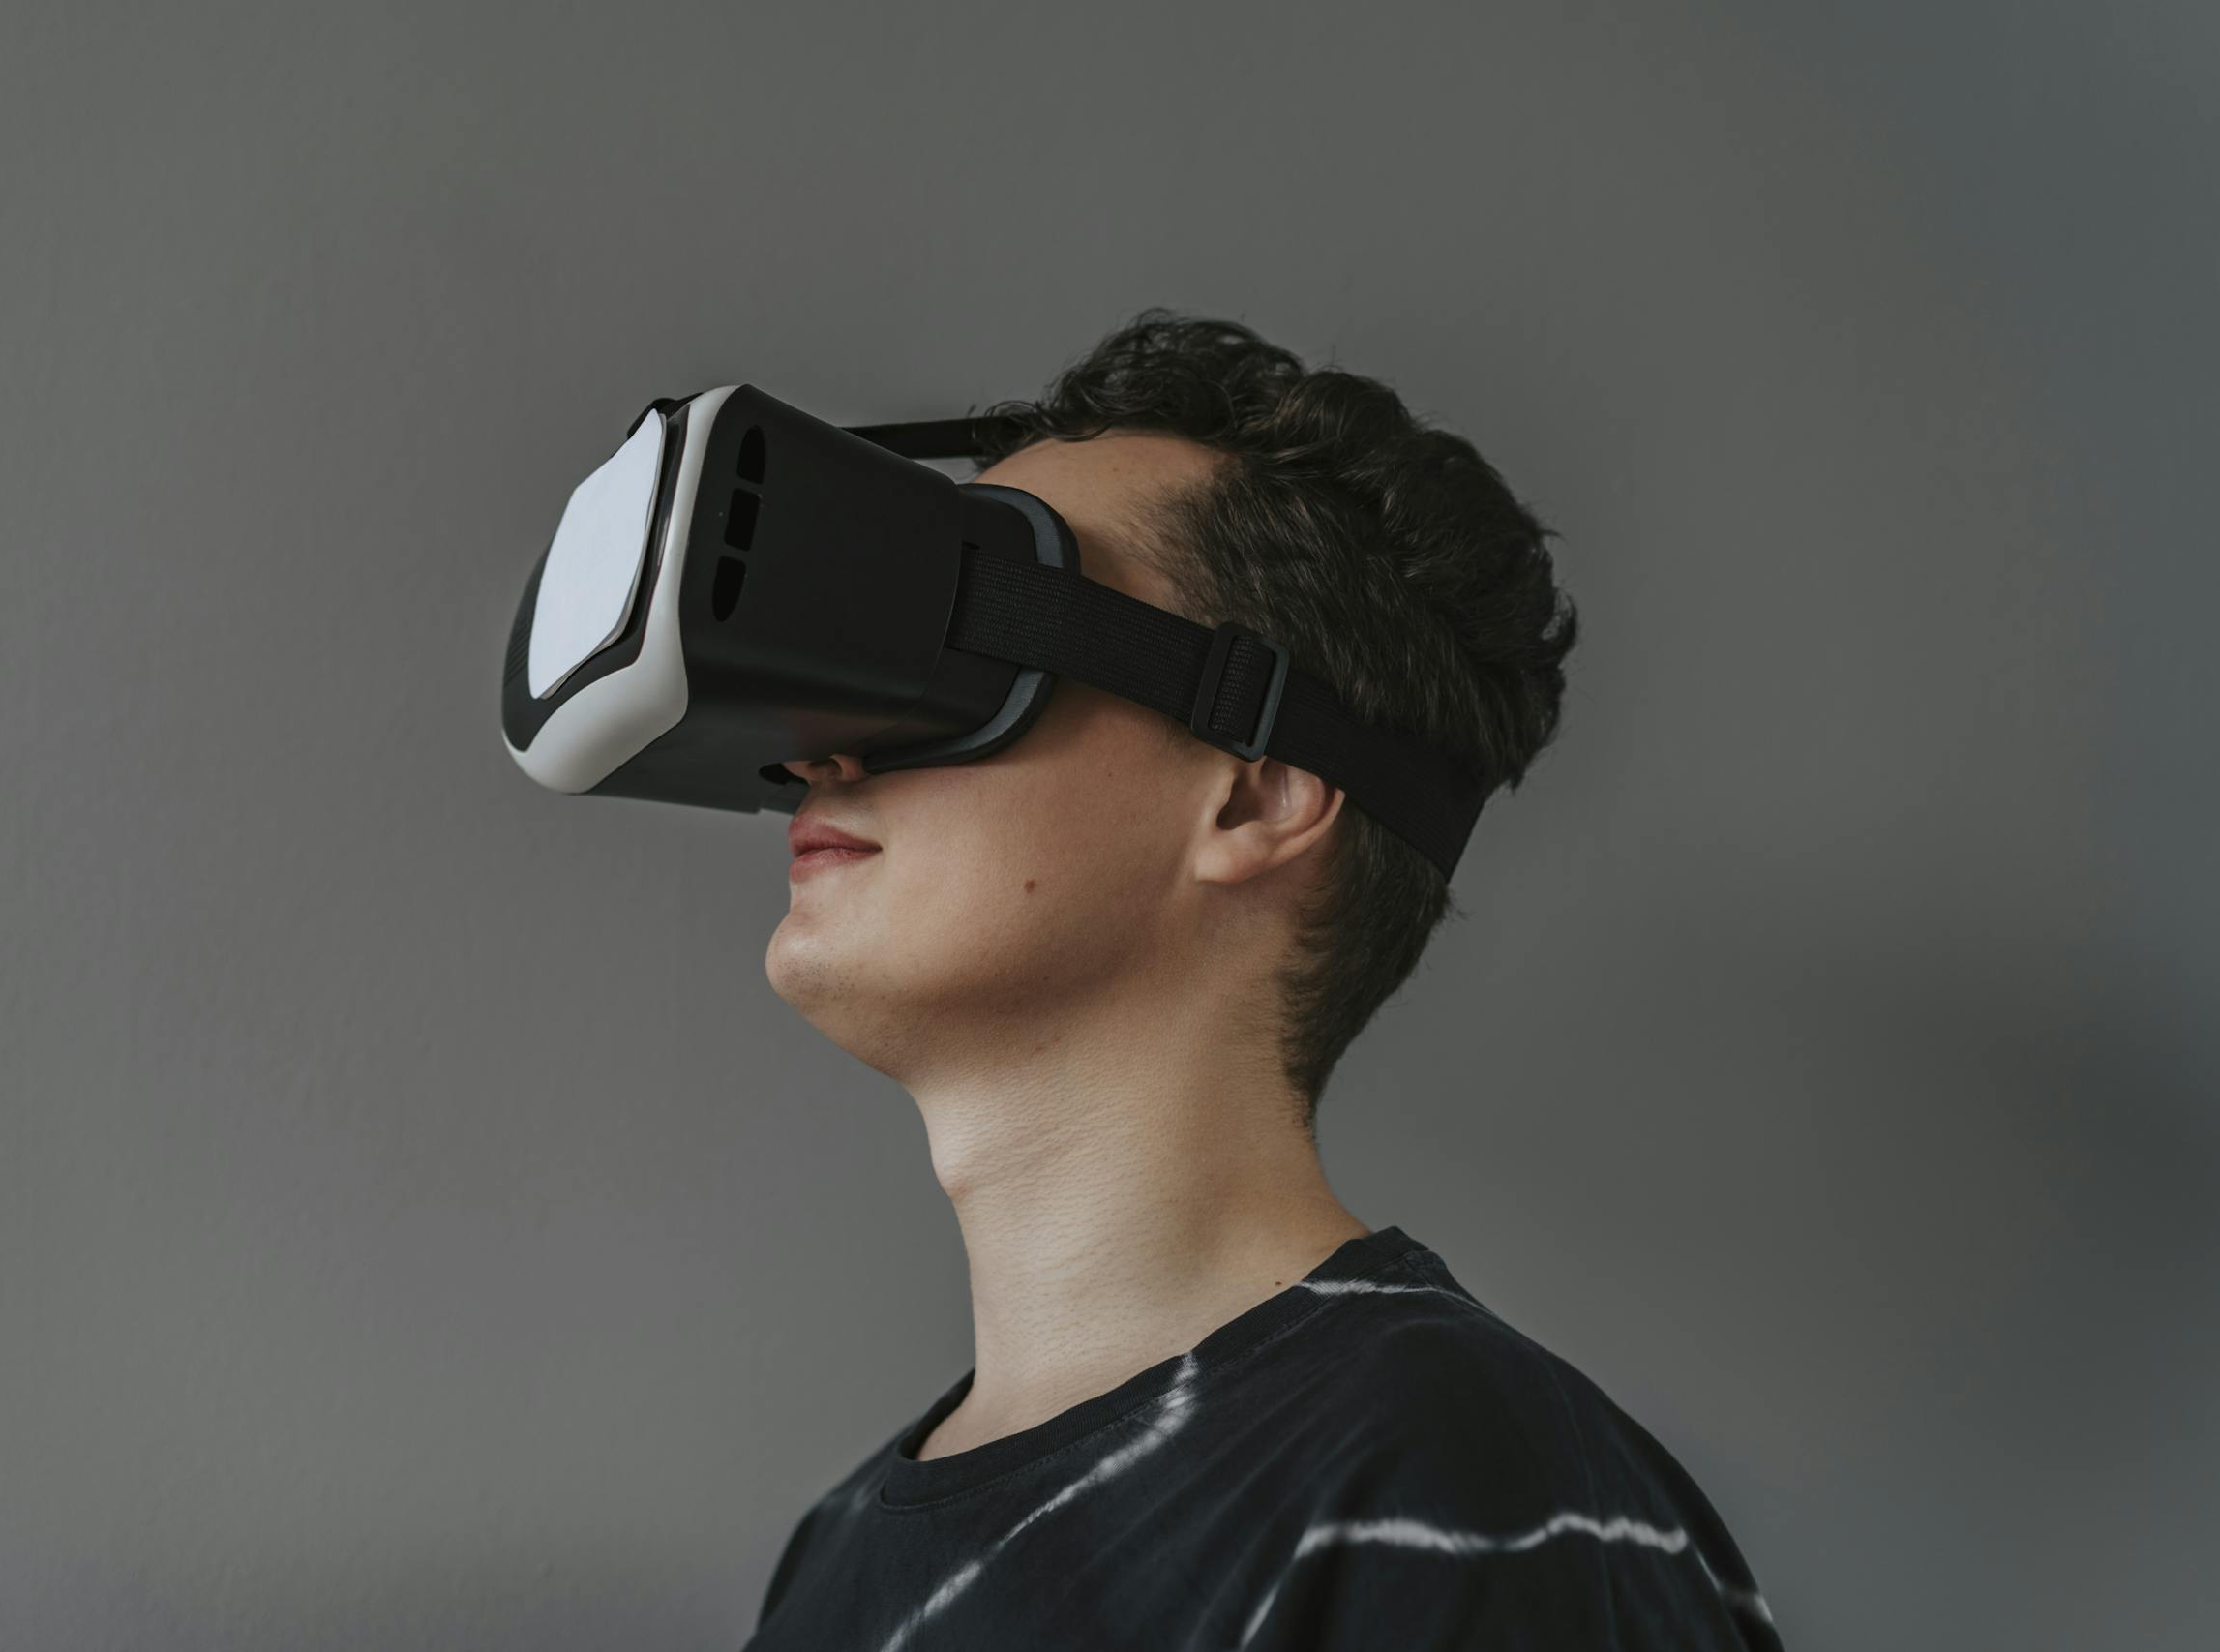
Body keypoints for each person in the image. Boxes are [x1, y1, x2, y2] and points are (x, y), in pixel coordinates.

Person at [745, 310, 1784, 1650]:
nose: (824, 746)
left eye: (971, 641)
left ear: (1252, 795)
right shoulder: (832, 1557)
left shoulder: (1464, 1489)